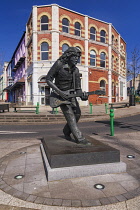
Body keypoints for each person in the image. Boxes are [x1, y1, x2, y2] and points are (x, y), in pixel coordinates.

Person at [46, 47, 90, 145]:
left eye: (77, 57)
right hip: (59, 95)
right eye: (74, 56)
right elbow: (48, 79)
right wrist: (59, 92)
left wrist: (83, 95)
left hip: (71, 95)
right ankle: (80, 138)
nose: (76, 59)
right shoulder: (59, 64)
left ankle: (66, 131)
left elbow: (78, 88)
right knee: (70, 115)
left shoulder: (76, 71)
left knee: (77, 114)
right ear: (69, 56)